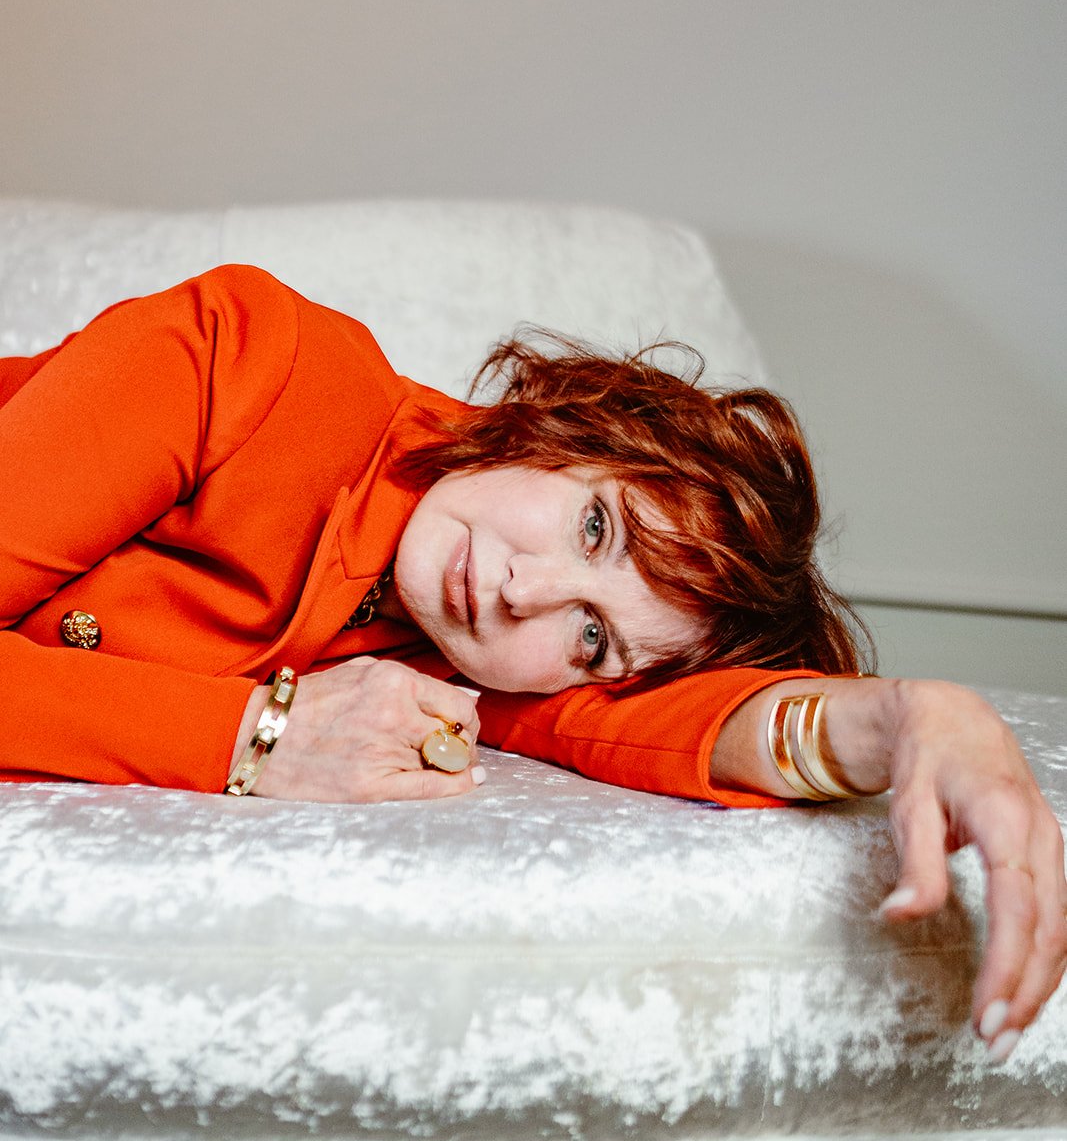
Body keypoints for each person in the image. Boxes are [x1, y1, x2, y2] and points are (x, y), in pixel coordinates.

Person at [1, 263, 1064, 1064]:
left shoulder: (472, 656)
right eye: (595, 526)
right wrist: (257, 738)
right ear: (557, 427)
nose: (525, 592)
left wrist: (914, 717)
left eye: (592, 635)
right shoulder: (251, 356)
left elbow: (679, 720)